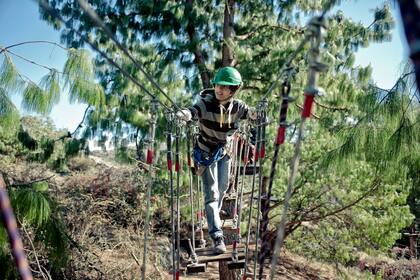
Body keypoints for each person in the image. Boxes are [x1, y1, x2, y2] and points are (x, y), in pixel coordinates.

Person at [177, 66, 257, 254]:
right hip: (205, 154)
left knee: (222, 189)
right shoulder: (206, 103)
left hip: (224, 152)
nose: (219, 89)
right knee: (212, 195)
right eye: (218, 85)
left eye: (225, 87)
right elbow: (194, 110)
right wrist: (186, 115)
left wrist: (257, 113)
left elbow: (251, 114)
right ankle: (217, 236)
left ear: (234, 90)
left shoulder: (238, 107)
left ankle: (214, 216)